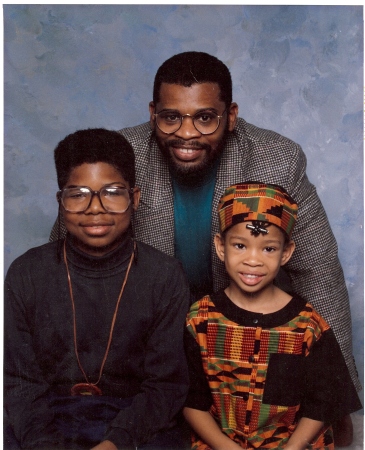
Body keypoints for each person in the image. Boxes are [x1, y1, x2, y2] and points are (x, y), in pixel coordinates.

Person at [49, 52, 360, 443]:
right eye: (171, 117)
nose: (186, 134)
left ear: (229, 116)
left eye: (205, 117)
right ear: (153, 114)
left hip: (243, 322)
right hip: (149, 326)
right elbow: (63, 256)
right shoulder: (119, 156)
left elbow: (318, 269)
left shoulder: (276, 159)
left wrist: (336, 392)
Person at [4, 128, 190, 450]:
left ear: (135, 198)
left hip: (134, 421)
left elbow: (165, 385)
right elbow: (19, 383)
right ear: (61, 202)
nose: (95, 208)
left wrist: (117, 443)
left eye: (112, 192)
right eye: (78, 194)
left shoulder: (165, 276)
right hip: (47, 416)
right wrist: (44, 444)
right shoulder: (26, 274)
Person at [183, 182, 362, 450]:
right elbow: (191, 402)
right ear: (221, 247)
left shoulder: (308, 326)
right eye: (240, 245)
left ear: (286, 252)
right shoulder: (199, 320)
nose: (253, 260)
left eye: (268, 249)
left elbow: (323, 403)